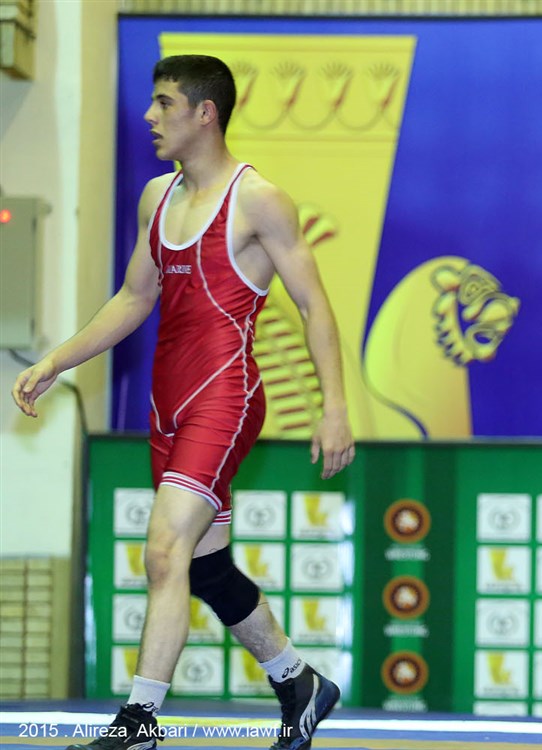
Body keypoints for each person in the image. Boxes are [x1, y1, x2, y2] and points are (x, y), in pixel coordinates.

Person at [11, 55, 354, 750]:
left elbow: (314, 304)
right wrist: (55, 359)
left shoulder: (258, 200)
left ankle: (139, 723)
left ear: (205, 113)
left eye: (164, 103)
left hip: (224, 396)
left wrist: (335, 408)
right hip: (167, 404)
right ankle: (299, 682)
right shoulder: (156, 198)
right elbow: (134, 298)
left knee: (164, 551)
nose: (150, 116)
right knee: (203, 567)